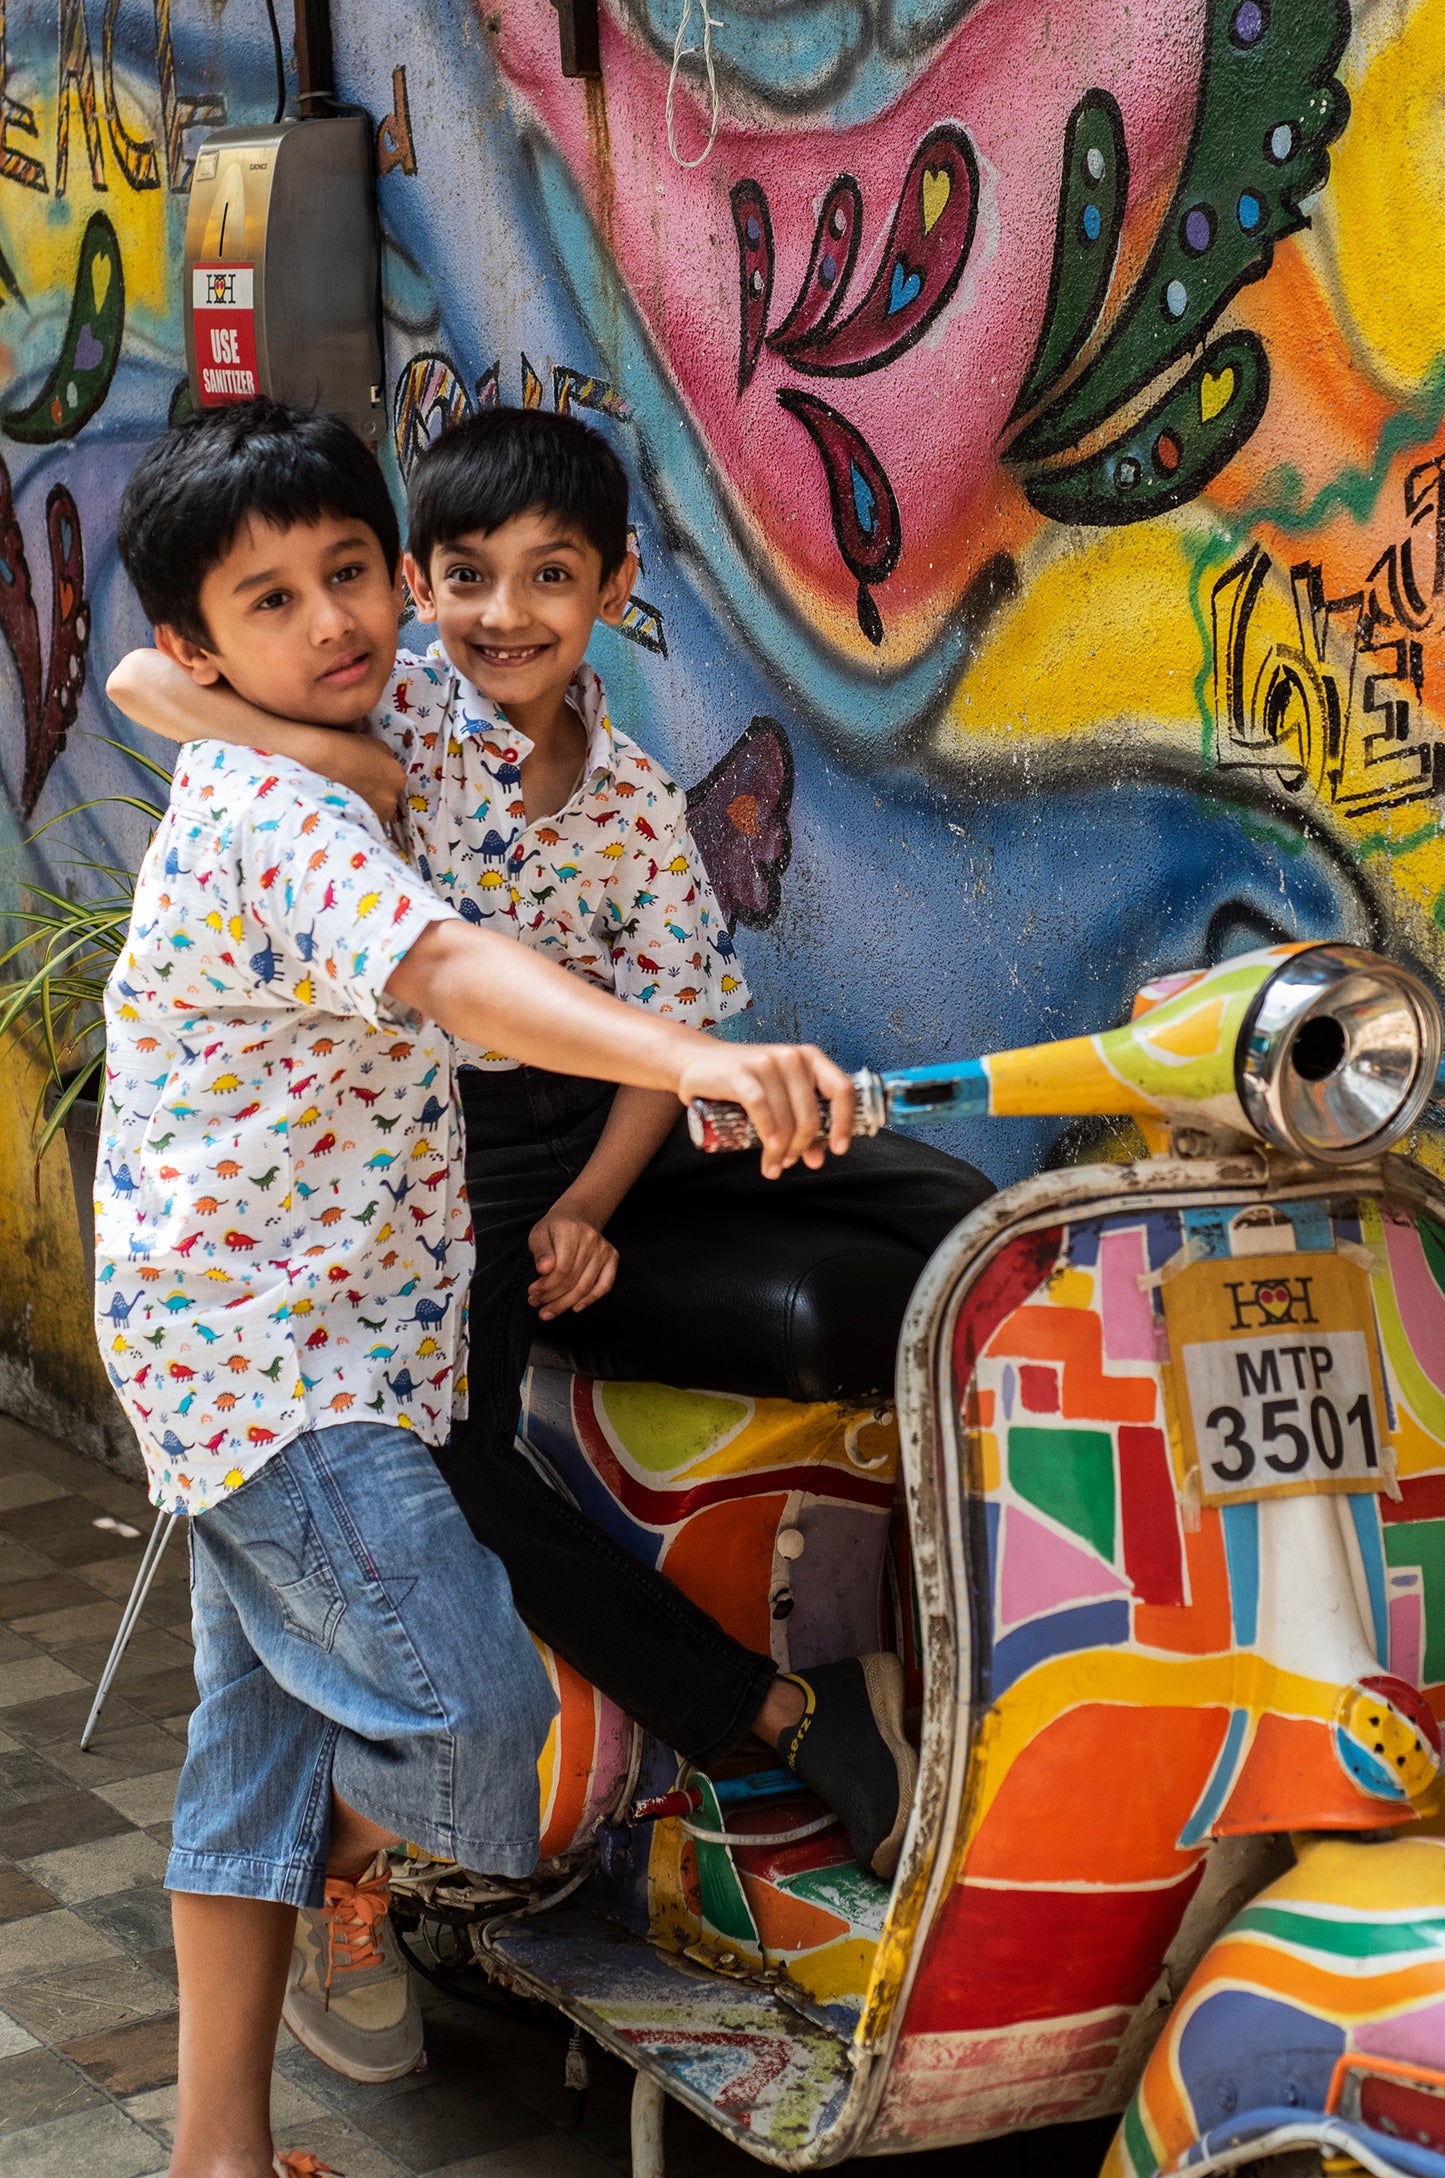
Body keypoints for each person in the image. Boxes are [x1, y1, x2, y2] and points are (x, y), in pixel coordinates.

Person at [108, 404, 991, 2090]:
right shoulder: (367, 731)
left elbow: (645, 1011)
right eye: (459, 575)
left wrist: (624, 1157)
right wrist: (327, 756)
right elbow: (437, 961)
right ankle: (697, 1735)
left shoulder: (597, 789)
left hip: (449, 1176)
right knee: (458, 1723)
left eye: (349, 578)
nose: (474, 613)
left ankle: (216, 2138)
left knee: (927, 1194)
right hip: (326, 1274)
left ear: (613, 591)